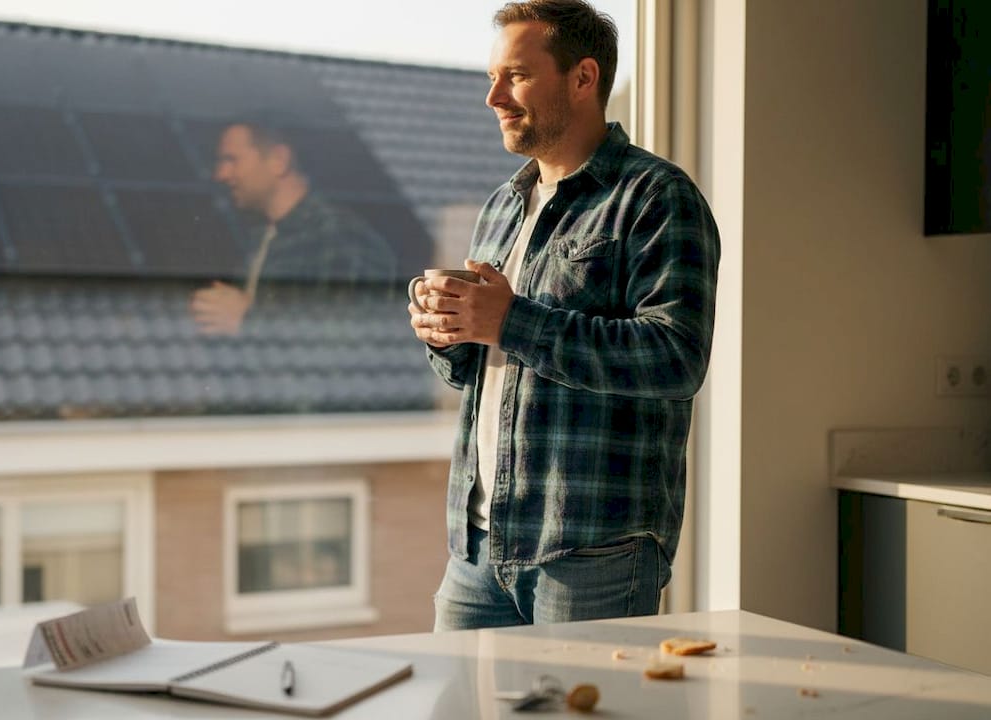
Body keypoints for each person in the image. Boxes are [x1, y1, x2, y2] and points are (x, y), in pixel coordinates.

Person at [408, 0, 720, 630]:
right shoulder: (503, 204)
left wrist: (509, 321)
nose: (493, 96)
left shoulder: (657, 197)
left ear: (583, 78)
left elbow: (675, 357)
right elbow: (480, 367)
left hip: (593, 551)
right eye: (494, 76)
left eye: (516, 76)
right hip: (477, 544)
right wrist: (448, 333)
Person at [191, 120, 396, 336]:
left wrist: (248, 320)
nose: (220, 174)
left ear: (279, 160)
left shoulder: (338, 235)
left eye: (231, 160)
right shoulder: (262, 236)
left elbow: (353, 338)